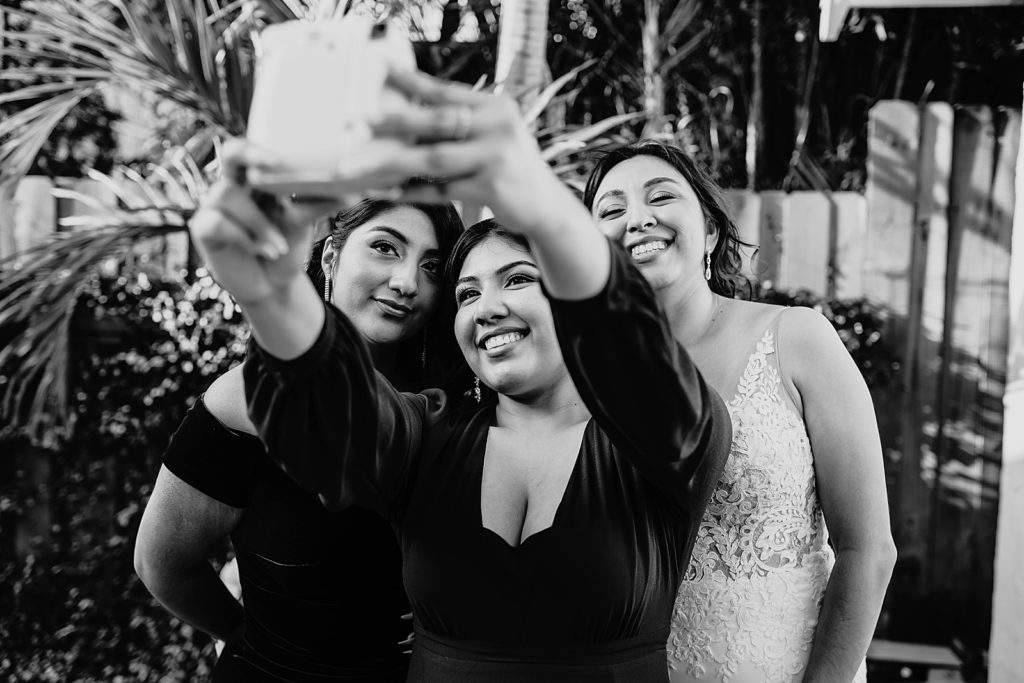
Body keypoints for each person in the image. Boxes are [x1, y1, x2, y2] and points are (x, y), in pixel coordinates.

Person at [187, 68, 732, 682]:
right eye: (467, 295)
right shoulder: (429, 432)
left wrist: (525, 188)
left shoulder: (657, 438)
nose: (487, 308)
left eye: (519, 280)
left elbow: (640, 361)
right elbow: (345, 416)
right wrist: (275, 291)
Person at [583, 141, 898, 683]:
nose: (636, 219)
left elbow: (867, 551)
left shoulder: (797, 339)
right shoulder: (580, 372)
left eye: (659, 196)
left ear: (709, 231)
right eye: (611, 211)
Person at [134, 176, 465, 682]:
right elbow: (164, 564)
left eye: (432, 267)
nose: (406, 282)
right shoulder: (247, 397)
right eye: (385, 248)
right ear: (331, 257)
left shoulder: (454, 403)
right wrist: (251, 640)